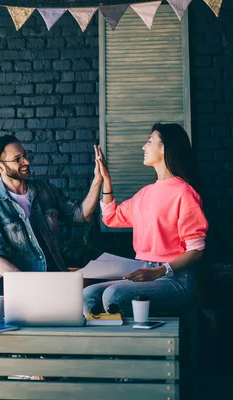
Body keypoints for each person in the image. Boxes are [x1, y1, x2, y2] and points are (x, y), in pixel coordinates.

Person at [83, 123, 208, 317]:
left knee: (113, 296)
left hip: (176, 279)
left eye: (149, 141)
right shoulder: (145, 194)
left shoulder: (185, 194)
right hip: (145, 273)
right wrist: (106, 180)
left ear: (165, 148)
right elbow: (111, 217)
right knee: (87, 296)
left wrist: (159, 271)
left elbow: (196, 251)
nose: (144, 147)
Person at [0, 135, 103, 295]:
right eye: (18, 159)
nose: (26, 162)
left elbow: (80, 215)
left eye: (25, 156)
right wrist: (31, 286)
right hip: (16, 285)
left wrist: (98, 180)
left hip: (53, 276)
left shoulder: (45, 190)